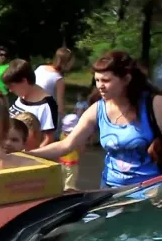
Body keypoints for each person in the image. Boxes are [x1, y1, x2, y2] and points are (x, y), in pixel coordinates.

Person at [29, 51, 162, 188]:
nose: (100, 86)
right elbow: (66, 145)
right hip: (110, 190)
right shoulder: (97, 109)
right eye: (97, 80)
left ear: (126, 79)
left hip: (150, 192)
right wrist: (26, 155)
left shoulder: (154, 104)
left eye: (106, 80)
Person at [5, 59, 58, 147]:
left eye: (12, 86)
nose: (10, 90)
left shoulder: (46, 105)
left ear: (24, 82)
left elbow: (48, 139)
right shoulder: (22, 95)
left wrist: (32, 156)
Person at [34, 48, 74, 121]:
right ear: (66, 63)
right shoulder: (59, 79)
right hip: (43, 112)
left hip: (29, 106)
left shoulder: (40, 68)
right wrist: (63, 118)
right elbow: (59, 104)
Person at [59, 114, 83, 190]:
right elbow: (80, 149)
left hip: (62, 161)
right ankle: (69, 193)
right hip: (72, 163)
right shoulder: (75, 138)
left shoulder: (62, 134)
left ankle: (62, 190)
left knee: (63, 179)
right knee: (70, 182)